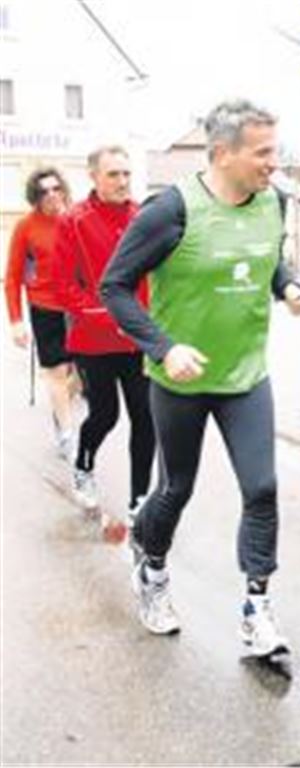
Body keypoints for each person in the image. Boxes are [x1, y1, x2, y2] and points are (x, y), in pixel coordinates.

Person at [101, 99, 300, 654]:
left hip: (246, 375)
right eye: (262, 152)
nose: (273, 162)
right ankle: (151, 569)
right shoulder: (170, 211)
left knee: (262, 488)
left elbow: (265, 259)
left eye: (275, 149)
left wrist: (286, 285)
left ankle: (257, 610)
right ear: (222, 154)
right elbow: (114, 287)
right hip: (181, 381)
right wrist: (163, 348)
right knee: (175, 488)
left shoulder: (276, 201)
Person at [56, 146, 155, 538]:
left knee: (145, 419)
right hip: (94, 341)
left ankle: (140, 502)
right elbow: (63, 286)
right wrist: (104, 313)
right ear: (93, 176)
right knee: (106, 415)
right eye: (113, 174)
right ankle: (83, 465)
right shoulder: (73, 221)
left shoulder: (142, 218)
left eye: (126, 174)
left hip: (137, 341)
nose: (122, 182)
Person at [5, 167, 78, 461]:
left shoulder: (76, 219)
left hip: (77, 308)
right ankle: (68, 436)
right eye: (44, 191)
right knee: (56, 373)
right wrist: (15, 321)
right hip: (44, 308)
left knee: (83, 374)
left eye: (55, 188)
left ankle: (61, 412)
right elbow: (12, 276)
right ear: (35, 197)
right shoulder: (26, 226)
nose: (51, 195)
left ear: (63, 190)